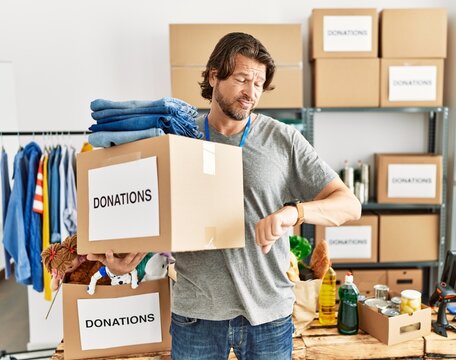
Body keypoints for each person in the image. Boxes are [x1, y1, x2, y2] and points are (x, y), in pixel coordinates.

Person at [88, 32, 361, 360]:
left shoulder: (283, 139)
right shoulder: (177, 139)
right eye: (243, 79)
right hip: (196, 316)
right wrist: (127, 262)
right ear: (214, 76)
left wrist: (294, 213)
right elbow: (151, 214)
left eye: (258, 84)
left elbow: (349, 205)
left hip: (268, 317)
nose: (251, 93)